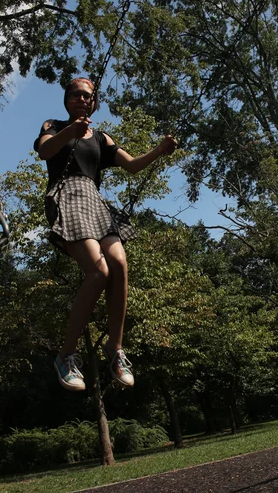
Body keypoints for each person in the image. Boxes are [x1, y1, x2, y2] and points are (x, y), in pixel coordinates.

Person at [34, 77, 177, 392]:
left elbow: (133, 166)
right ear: (67, 99)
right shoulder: (54, 125)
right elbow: (45, 152)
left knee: (118, 262)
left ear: (94, 103)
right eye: (76, 94)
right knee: (98, 271)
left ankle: (115, 348)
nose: (82, 99)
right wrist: (69, 132)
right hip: (66, 194)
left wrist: (160, 150)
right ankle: (66, 355)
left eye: (88, 96)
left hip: (94, 201)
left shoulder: (101, 137)